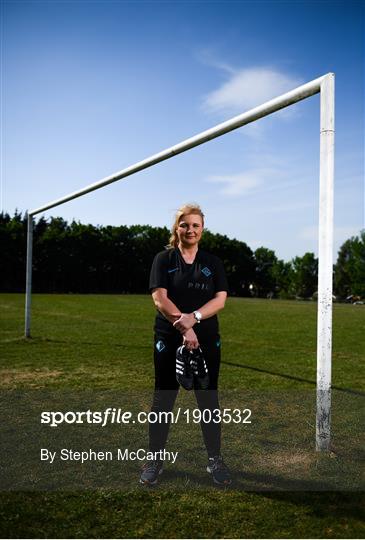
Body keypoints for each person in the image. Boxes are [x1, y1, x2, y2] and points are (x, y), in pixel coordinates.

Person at [140, 203, 231, 486]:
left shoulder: (213, 263)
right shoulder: (163, 259)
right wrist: (183, 326)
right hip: (169, 337)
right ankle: (154, 459)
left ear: (202, 229)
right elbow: (160, 299)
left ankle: (215, 460)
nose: (190, 230)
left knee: (208, 401)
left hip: (206, 337)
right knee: (163, 399)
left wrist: (195, 318)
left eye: (195, 225)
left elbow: (220, 300)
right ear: (176, 228)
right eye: (184, 224)